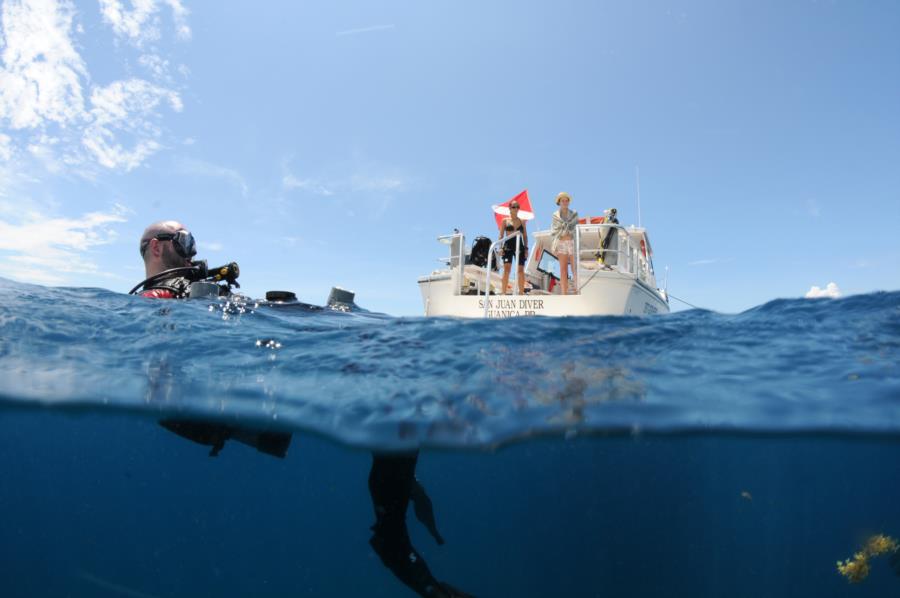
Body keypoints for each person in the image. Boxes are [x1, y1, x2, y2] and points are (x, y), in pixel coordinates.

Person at [135, 221, 471, 598]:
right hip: (275, 370)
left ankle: (397, 496)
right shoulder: (157, 299)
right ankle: (398, 542)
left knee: (397, 402)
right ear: (157, 248)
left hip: (288, 352)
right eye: (183, 240)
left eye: (191, 240)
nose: (192, 248)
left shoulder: (189, 292)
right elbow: (160, 389)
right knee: (394, 395)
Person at [497, 199, 528, 295]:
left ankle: (521, 293)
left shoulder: (522, 221)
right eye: (514, 207)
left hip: (519, 245)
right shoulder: (505, 221)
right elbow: (501, 236)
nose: (516, 209)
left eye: (517, 207)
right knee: (507, 269)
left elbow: (525, 236)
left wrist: (526, 248)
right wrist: (501, 247)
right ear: (509, 208)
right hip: (508, 245)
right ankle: (503, 293)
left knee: (520, 270)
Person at [550, 192, 578, 295]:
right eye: (563, 200)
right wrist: (564, 233)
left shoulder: (574, 214)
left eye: (567, 200)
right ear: (559, 202)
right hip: (561, 243)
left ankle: (577, 291)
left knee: (574, 268)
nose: (565, 202)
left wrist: (567, 232)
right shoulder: (555, 215)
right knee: (563, 269)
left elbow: (575, 229)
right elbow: (554, 231)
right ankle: (564, 294)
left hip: (572, 242)